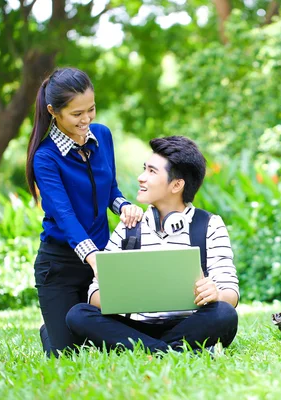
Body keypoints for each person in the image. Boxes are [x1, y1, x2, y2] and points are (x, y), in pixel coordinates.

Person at [65, 136, 239, 355]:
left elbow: (230, 294)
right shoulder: (129, 226)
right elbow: (94, 297)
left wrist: (215, 293)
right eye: (144, 169)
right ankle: (172, 351)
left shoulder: (209, 225)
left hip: (190, 324)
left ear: (177, 184)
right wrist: (116, 290)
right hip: (137, 326)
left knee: (224, 314)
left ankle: (146, 350)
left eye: (152, 172)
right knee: (78, 315)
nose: (141, 178)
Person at [25, 67, 143, 357]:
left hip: (101, 261)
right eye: (77, 114)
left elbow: (110, 190)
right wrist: (95, 259)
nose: (87, 119)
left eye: (91, 109)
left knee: (115, 346)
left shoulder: (102, 135)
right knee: (66, 354)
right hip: (61, 266)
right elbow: (64, 217)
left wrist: (125, 206)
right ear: (53, 111)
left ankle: (64, 326)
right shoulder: (46, 157)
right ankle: (54, 330)